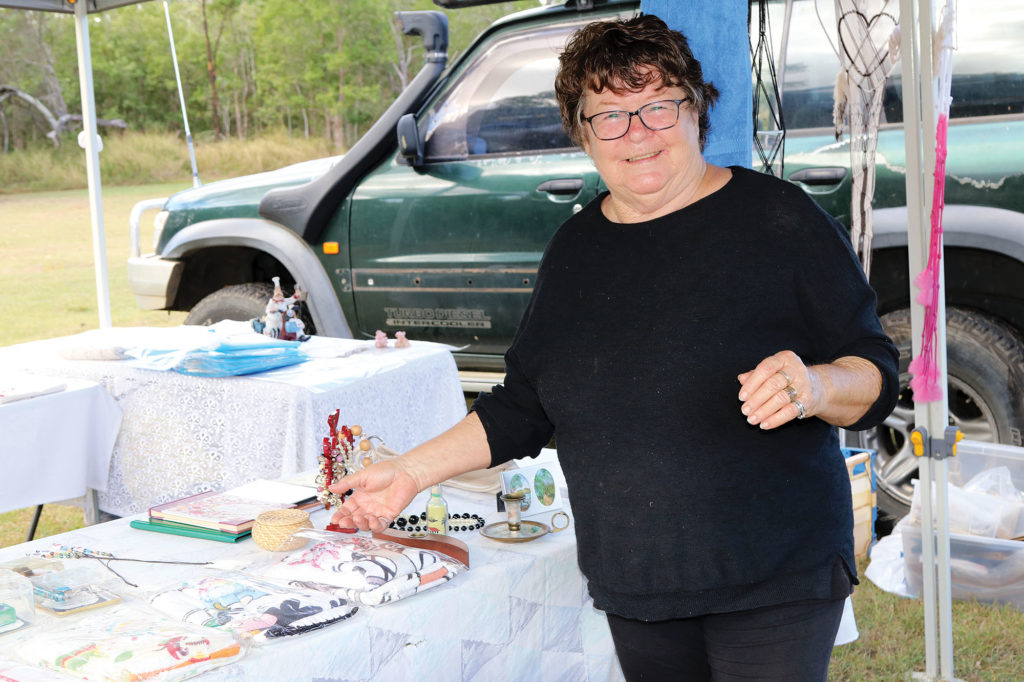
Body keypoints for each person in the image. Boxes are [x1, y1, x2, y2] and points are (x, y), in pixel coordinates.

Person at [330, 14, 898, 681]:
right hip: (638, 580)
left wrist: (817, 386)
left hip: (773, 574)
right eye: (611, 116)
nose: (638, 135)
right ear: (583, 132)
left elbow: (875, 376)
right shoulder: (576, 250)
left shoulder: (781, 220)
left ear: (695, 111)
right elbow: (524, 406)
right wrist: (410, 472)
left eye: (658, 107)